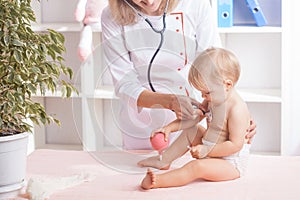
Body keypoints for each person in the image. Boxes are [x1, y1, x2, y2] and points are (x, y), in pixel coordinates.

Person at [101, 0, 256, 150]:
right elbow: (124, 84)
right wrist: (170, 101)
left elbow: (216, 68)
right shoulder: (111, 16)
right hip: (141, 124)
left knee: (192, 171)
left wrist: (235, 114)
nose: (149, 2)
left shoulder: (195, 4)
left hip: (193, 119)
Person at [140, 47, 251, 189]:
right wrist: (169, 128)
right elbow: (193, 118)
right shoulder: (214, 98)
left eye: (206, 92)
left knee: (196, 167)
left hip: (229, 162)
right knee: (192, 130)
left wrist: (207, 150)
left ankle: (158, 182)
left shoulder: (236, 109)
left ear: (227, 84)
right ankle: (164, 160)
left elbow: (235, 145)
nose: (203, 97)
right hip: (210, 148)